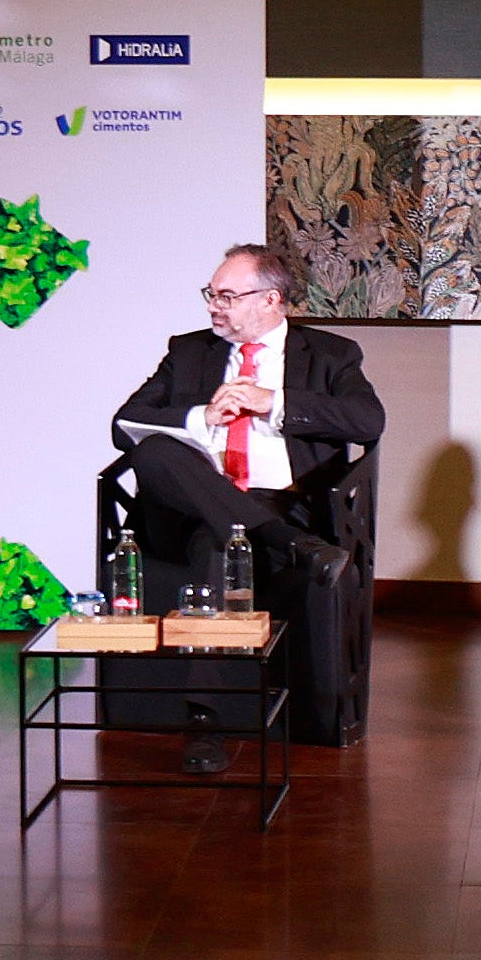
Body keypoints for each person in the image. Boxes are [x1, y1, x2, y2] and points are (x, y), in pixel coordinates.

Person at [105, 242, 385, 759]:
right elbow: (124, 423)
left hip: (278, 499)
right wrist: (199, 418)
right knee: (158, 451)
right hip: (191, 501)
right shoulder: (189, 351)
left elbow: (368, 422)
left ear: (271, 300)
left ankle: (208, 721)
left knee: (223, 543)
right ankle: (292, 546)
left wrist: (272, 403)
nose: (215, 306)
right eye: (212, 294)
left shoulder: (330, 355)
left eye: (228, 296)